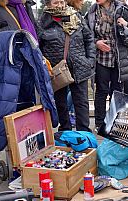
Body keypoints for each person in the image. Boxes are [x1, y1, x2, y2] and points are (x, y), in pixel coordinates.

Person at [37, 0, 96, 132]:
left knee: (81, 102)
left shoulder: (76, 17)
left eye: (62, 2)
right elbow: (38, 48)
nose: (60, 5)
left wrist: (90, 61)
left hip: (79, 66)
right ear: (48, 4)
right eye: (55, 2)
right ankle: (65, 132)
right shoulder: (41, 23)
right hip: (56, 70)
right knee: (61, 103)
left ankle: (84, 133)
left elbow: (89, 40)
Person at [85, 0, 128, 132]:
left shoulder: (122, 9)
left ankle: (113, 121)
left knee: (116, 91)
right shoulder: (91, 11)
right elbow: (86, 35)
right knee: (101, 91)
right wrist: (96, 43)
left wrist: (127, 23)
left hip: (119, 58)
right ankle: (99, 123)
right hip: (101, 58)